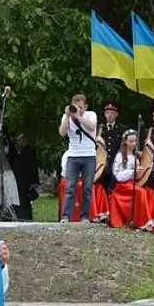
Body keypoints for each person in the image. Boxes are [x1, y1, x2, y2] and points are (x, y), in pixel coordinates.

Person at [107, 129, 154, 231]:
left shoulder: (136, 156)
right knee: (140, 192)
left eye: (135, 141)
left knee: (150, 192)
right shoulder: (120, 156)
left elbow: (153, 158)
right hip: (122, 186)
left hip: (132, 183)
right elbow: (118, 176)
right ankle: (142, 223)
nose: (133, 143)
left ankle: (152, 220)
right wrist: (133, 172)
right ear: (125, 142)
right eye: (131, 141)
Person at [58, 94, 98, 223]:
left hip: (89, 156)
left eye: (81, 106)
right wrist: (68, 117)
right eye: (76, 106)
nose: (78, 108)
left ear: (85, 106)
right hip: (73, 156)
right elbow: (62, 133)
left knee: (87, 188)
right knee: (70, 187)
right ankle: (66, 216)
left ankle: (84, 216)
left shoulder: (91, 114)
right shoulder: (67, 117)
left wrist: (79, 116)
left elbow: (92, 127)